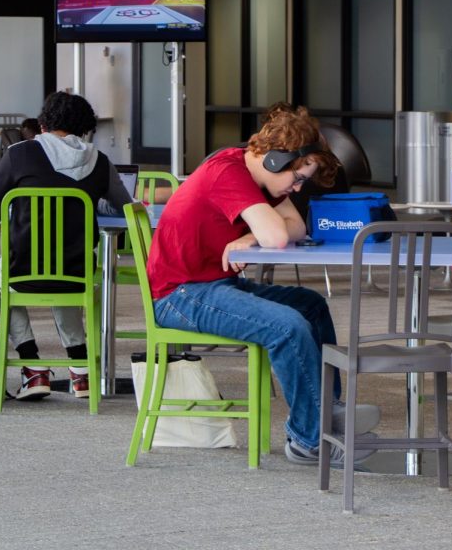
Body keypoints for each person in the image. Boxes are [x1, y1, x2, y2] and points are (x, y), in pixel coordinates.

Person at [146, 103, 380, 467]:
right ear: (273, 160)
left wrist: (247, 240)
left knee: (309, 304)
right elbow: (276, 234)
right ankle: (308, 440)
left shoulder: (261, 180)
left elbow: (296, 226)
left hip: (213, 286)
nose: (298, 187)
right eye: (298, 178)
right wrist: (259, 237)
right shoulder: (228, 170)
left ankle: (325, 411)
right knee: (287, 327)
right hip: (181, 294)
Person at [0, 92, 132, 400]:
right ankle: (81, 369)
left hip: (23, 271)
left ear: (42, 124)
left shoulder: (19, 154)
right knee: (63, 269)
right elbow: (124, 207)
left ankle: (32, 367)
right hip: (77, 271)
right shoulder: (99, 161)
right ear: (84, 128)